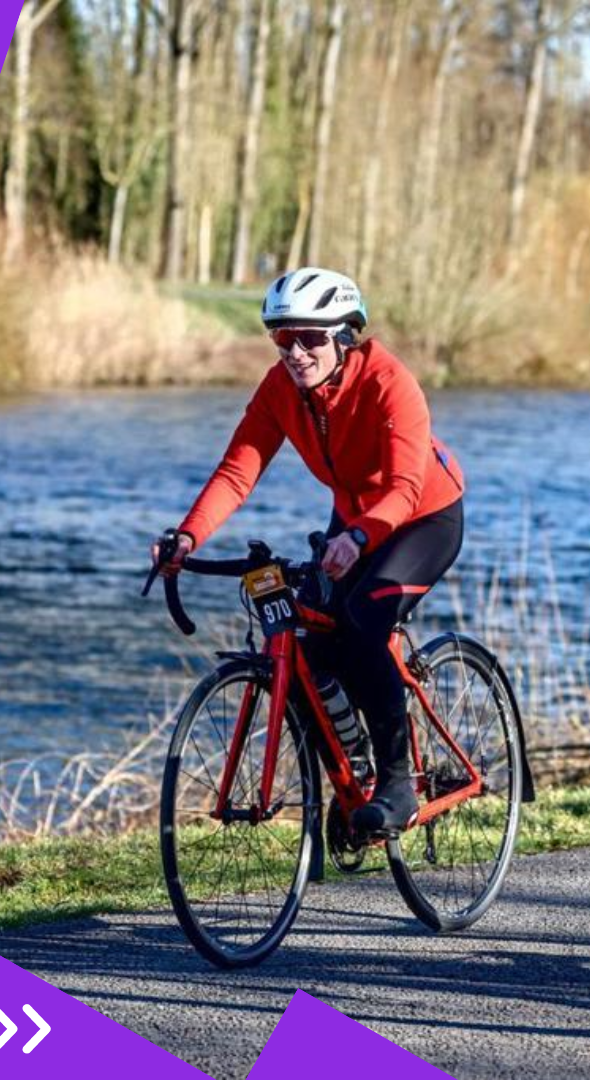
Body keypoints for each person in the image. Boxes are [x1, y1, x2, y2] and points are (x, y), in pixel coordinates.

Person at [152, 267, 464, 836]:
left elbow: (403, 488)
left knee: (365, 623)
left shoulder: (389, 381)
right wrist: (188, 535)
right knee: (310, 641)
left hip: (422, 518)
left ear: (346, 334)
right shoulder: (279, 389)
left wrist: (361, 537)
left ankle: (396, 786)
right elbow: (236, 472)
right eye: (282, 338)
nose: (295, 352)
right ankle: (354, 777)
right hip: (352, 518)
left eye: (311, 338)